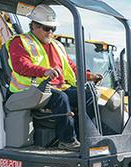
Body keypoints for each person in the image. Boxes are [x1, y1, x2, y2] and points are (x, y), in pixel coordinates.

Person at [6, 4, 101, 151]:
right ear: (34, 26)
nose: (50, 32)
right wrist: (44, 71)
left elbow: (71, 68)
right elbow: (20, 65)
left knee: (88, 95)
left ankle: (87, 137)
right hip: (29, 89)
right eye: (46, 28)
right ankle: (67, 140)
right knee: (61, 98)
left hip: (55, 87)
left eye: (53, 29)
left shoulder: (57, 45)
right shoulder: (19, 42)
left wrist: (89, 76)